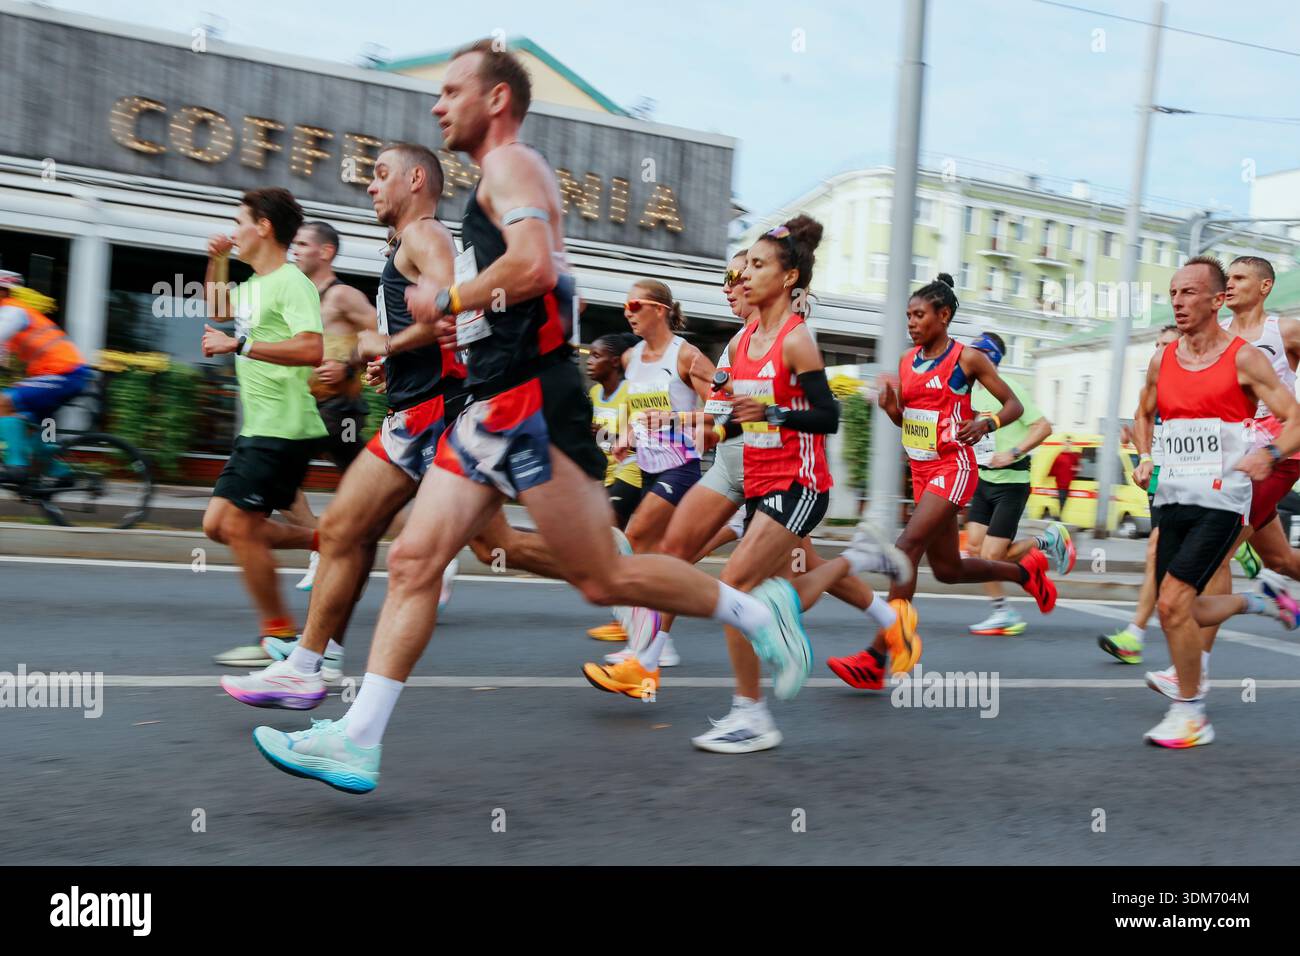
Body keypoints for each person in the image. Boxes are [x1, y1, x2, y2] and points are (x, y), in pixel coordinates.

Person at [248, 40, 840, 792]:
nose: (439, 104)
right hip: (492, 401)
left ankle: (760, 618)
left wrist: (448, 300)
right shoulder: (489, 183)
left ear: (497, 100)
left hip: (531, 400)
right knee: (413, 560)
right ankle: (357, 739)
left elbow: (532, 267)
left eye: (453, 89)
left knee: (605, 576)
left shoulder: (511, 164)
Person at [219, 143, 472, 704]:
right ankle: (310, 662)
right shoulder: (409, 241)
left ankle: (631, 579)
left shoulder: (425, 234)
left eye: (381, 176)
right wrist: (390, 359)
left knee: (510, 548)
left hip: (435, 415)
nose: (371, 186)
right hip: (415, 411)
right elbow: (430, 325)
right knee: (342, 533)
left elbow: (449, 311)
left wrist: (377, 346)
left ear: (416, 179)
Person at [679, 217, 912, 752]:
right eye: (745, 268)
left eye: (757, 267)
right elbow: (737, 419)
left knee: (733, 589)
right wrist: (705, 427)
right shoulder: (743, 344)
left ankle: (752, 714)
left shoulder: (795, 339)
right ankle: (854, 566)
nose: (744, 278)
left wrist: (774, 411)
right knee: (762, 592)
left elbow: (826, 417)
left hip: (801, 483)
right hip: (761, 482)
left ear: (788, 279)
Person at [827, 273, 1060, 689]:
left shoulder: (966, 359)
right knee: (949, 570)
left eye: (919, 315)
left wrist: (985, 423)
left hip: (954, 469)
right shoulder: (905, 361)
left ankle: (880, 654)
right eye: (908, 316)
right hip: (921, 471)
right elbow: (908, 422)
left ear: (944, 315)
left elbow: (1013, 404)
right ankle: (1026, 572)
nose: (911, 323)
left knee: (905, 550)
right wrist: (891, 408)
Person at [1129, 256, 1300, 747]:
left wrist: (1268, 453)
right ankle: (1259, 599)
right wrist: (1144, 456)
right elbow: (1143, 414)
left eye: (1189, 293)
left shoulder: (1246, 357)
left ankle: (1191, 712)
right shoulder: (1164, 358)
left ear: (1215, 300)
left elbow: (1294, 419)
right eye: (1173, 293)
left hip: (1225, 498)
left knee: (1174, 601)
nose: (1178, 302)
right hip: (1173, 495)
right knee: (1176, 610)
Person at [201, 188, 325, 666]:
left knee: (237, 524)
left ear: (264, 227)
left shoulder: (293, 283)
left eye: (239, 221)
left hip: (286, 427)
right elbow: (218, 313)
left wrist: (242, 347)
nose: (234, 231)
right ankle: (329, 540)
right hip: (260, 428)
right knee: (219, 525)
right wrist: (216, 261)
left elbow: (312, 349)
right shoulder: (253, 284)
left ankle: (280, 636)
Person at [285, 220, 379, 591]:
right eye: (294, 243)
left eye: (303, 243)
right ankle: (322, 544)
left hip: (340, 408)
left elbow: (381, 334)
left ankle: (322, 546)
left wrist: (348, 363)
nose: (295, 249)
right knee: (371, 492)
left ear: (326, 252)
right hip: (311, 406)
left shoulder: (342, 296)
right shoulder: (301, 295)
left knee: (280, 474)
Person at [963, 330, 1070, 637]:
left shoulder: (1009, 390)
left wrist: (1012, 453)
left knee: (992, 556)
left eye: (974, 355)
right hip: (984, 480)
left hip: (1012, 483)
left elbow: (1044, 426)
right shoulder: (968, 392)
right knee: (974, 549)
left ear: (988, 359)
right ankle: (1002, 611)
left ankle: (1047, 541)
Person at [1099, 324, 1181, 664]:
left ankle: (1255, 594)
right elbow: (1144, 423)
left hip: (1199, 482)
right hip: (1164, 480)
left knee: (1160, 555)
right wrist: (1142, 455)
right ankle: (1135, 636)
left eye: (1167, 345)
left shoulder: (1196, 382)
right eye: (1156, 344)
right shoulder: (1153, 387)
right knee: (1156, 555)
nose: (1159, 351)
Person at [0, 270, 91, 483]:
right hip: (61, 376)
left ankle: (16, 466)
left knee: (4, 403)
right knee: (34, 429)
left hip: (64, 373)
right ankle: (61, 473)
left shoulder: (13, 311)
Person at [587, 332, 644, 531]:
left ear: (614, 362)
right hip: (604, 471)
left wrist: (604, 435)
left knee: (608, 530)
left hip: (630, 468)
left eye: (595, 356)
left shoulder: (632, 391)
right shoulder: (594, 393)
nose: (588, 361)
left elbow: (643, 439)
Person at [1048, 438, 1080, 519]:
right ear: (1063, 445)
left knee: (1064, 500)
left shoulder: (1073, 457)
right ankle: (1058, 516)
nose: (1067, 446)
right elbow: (1053, 468)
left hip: (1069, 483)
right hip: (1060, 483)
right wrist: (1049, 476)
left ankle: (1059, 516)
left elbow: (1078, 467)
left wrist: (1075, 471)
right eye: (1066, 444)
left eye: (1069, 444)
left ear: (1071, 445)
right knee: (1062, 499)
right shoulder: (1059, 456)